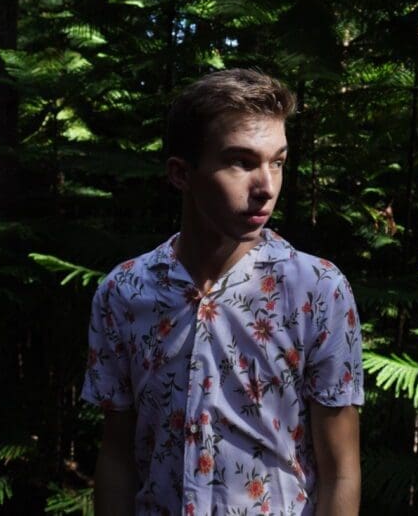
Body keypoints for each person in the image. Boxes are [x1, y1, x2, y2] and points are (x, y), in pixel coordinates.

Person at [81, 69, 364, 516]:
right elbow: (117, 456)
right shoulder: (124, 292)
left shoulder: (318, 290)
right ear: (181, 173)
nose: (266, 187)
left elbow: (341, 469)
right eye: (241, 162)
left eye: (277, 162)